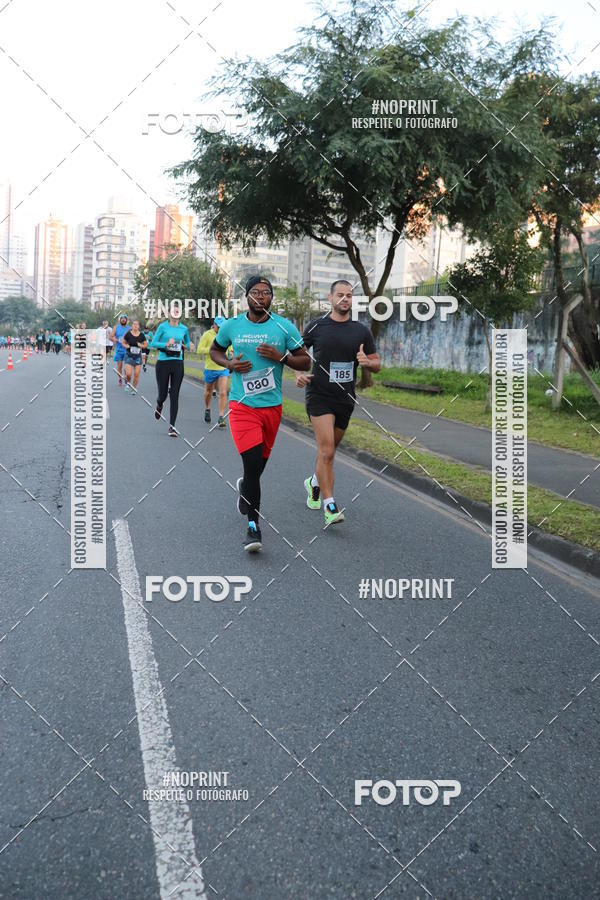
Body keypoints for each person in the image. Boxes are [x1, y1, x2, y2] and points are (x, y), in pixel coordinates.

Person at [210, 275, 310, 552]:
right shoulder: (232, 325)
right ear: (247, 296)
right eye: (255, 292)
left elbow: (305, 359)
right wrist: (229, 364)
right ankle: (253, 526)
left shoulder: (283, 327)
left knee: (256, 469)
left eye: (266, 292)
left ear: (271, 298)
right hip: (241, 406)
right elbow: (215, 349)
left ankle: (246, 488)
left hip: (272, 407)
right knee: (252, 464)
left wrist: (282, 357)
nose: (260, 297)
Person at [296, 279, 380, 525]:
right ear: (330, 299)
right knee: (327, 450)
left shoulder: (361, 331)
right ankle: (330, 505)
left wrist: (367, 362)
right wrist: (299, 374)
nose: (345, 299)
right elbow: (297, 355)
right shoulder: (317, 327)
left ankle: (313, 482)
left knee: (329, 453)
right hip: (319, 395)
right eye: (340, 295)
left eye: (349, 295)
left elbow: (377, 364)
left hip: (345, 399)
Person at [151, 303, 195, 436]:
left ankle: (172, 426)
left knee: (174, 394)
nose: (175, 313)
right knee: (163, 395)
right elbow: (153, 343)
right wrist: (166, 344)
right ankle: (159, 404)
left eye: (178, 311)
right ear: (169, 313)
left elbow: (186, 343)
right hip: (163, 362)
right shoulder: (162, 326)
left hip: (177, 363)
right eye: (173, 311)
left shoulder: (184, 328)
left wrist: (189, 345)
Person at [197, 316, 231, 427]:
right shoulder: (207, 334)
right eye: (219, 327)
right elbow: (199, 350)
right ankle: (207, 409)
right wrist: (213, 350)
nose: (221, 329)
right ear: (214, 324)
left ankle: (221, 417)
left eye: (223, 327)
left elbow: (231, 348)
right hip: (210, 368)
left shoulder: (227, 335)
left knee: (223, 392)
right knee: (208, 391)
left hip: (223, 368)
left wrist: (231, 352)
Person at [122, 320, 147, 393]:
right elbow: (123, 342)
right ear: (132, 326)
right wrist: (126, 345)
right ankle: (128, 384)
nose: (135, 325)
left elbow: (145, 345)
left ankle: (133, 388)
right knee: (129, 374)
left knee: (136, 374)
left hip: (138, 356)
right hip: (129, 355)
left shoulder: (142, 335)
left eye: (137, 324)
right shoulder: (128, 334)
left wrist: (141, 345)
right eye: (134, 324)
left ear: (139, 326)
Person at [110, 314, 130, 386]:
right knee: (119, 366)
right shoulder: (116, 327)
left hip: (127, 350)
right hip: (119, 350)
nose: (123, 319)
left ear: (126, 320)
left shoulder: (130, 328)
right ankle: (120, 379)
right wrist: (115, 339)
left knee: (127, 366)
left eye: (125, 318)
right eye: (122, 318)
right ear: (120, 320)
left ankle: (126, 376)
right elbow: (111, 337)